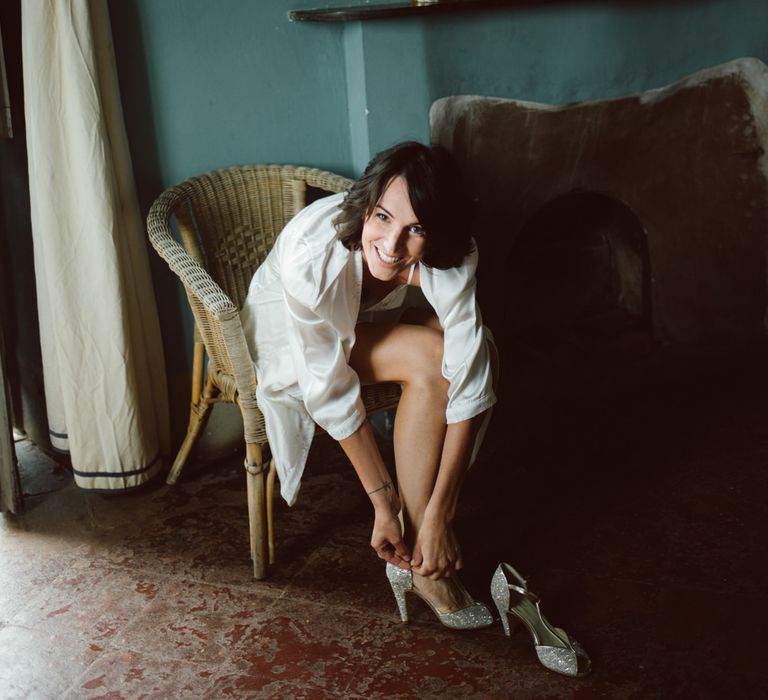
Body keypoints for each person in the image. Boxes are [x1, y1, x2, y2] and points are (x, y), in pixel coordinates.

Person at [241, 141, 497, 626]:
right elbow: (330, 389)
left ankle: (427, 533)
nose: (393, 245)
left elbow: (472, 373)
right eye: (382, 217)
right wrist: (384, 505)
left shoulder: (455, 250)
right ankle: (424, 562)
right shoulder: (311, 255)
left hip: (358, 325)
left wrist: (445, 510)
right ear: (368, 204)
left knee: (476, 345)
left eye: (415, 229)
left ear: (437, 231)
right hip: (290, 337)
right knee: (431, 356)